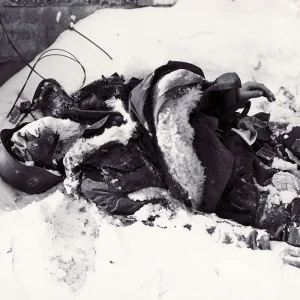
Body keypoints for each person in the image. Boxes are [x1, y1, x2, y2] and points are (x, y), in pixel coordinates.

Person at [1, 61, 300, 252]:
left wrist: (230, 97)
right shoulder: (94, 183)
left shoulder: (91, 109)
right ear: (41, 165)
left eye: (22, 130)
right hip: (237, 187)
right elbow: (165, 214)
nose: (28, 131)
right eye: (24, 145)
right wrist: (235, 235)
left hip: (247, 138)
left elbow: (172, 102)